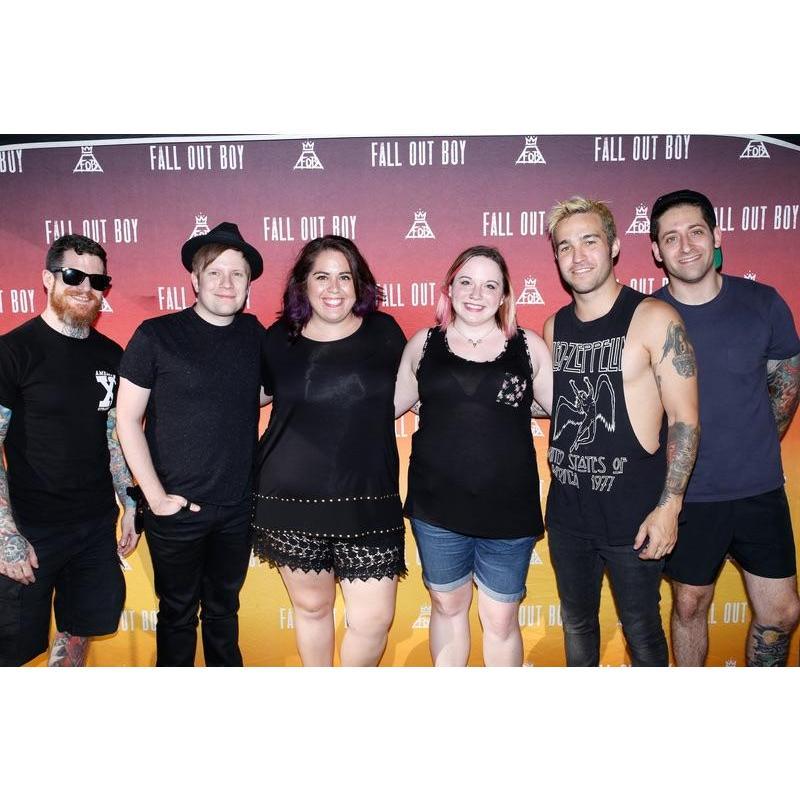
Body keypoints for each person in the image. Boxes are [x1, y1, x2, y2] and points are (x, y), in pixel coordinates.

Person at [543, 196, 699, 667]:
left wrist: (669, 508)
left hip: (634, 518)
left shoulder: (655, 318)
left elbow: (686, 421)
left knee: (642, 633)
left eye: (589, 241)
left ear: (613, 246)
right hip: (568, 514)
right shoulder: (554, 327)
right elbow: (556, 404)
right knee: (576, 624)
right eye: (565, 246)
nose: (578, 255)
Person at [650, 188, 800, 666]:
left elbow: (786, 386)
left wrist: (752, 446)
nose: (686, 245)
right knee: (690, 605)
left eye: (696, 231)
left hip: (759, 489)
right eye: (670, 237)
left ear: (716, 236)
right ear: (656, 251)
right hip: (687, 496)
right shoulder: (647, 317)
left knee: (782, 611)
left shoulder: (764, 303)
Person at [116, 222, 265, 667]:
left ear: (248, 285)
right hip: (176, 510)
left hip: (237, 508)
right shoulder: (156, 335)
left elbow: (262, 391)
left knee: (224, 613)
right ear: (194, 280)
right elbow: (126, 418)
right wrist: (155, 498)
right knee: (177, 616)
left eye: (237, 274)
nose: (226, 283)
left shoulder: (256, 335)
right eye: (214, 272)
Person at [252, 235, 406, 667]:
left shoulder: (385, 333)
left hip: (368, 500)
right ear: (303, 284)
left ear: (360, 285)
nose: (334, 287)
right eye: (322, 276)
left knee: (374, 620)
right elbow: (246, 400)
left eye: (345, 277)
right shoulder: (277, 340)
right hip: (291, 500)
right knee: (313, 610)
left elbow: (425, 389)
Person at [395, 245, 552, 666]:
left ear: (504, 296)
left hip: (509, 510)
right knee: (447, 608)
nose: (476, 293)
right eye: (465, 281)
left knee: (500, 620)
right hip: (437, 509)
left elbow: (562, 410)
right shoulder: (423, 344)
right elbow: (388, 405)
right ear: (449, 289)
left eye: (489, 285)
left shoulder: (528, 346)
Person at [0, 234, 138, 667]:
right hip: (30, 527)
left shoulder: (111, 354)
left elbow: (114, 437)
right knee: (14, 649)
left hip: (96, 527)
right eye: (74, 276)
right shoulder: (12, 351)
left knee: (77, 636)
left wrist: (129, 502)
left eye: (98, 281)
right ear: (47, 279)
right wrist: (5, 536)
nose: (86, 288)